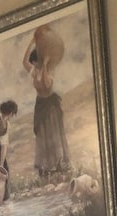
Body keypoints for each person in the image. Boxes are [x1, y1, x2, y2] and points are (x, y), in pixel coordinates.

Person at [23, 28, 70, 177]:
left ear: (38, 61)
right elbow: (24, 62)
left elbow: (45, 84)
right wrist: (33, 41)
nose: (33, 65)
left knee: (53, 135)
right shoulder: (35, 71)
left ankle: (59, 165)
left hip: (50, 106)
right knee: (42, 135)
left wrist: (44, 65)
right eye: (34, 63)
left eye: (35, 62)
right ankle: (46, 167)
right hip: (40, 104)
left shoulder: (49, 71)